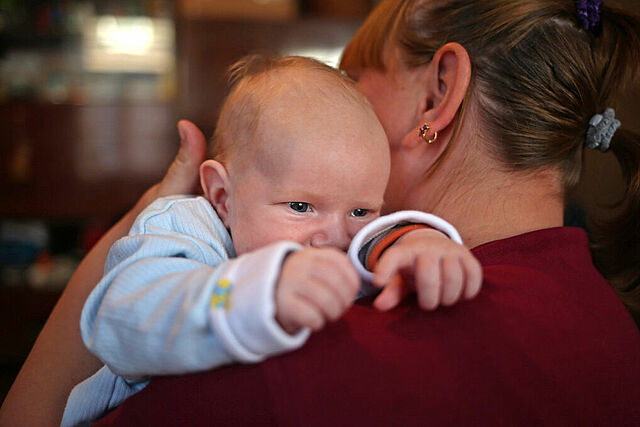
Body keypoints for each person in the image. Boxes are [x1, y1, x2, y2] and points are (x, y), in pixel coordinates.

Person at [2, 0, 640, 424]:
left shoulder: (286, 364)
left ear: (439, 95)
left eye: (355, 76)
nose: (334, 230)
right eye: (303, 205)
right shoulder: (614, 333)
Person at [60, 54, 480, 426]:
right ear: (223, 196)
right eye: (300, 207)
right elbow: (120, 319)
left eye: (360, 210)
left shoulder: (344, 237)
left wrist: (418, 244)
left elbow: (373, 243)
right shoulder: (185, 226)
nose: (332, 238)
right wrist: (255, 291)